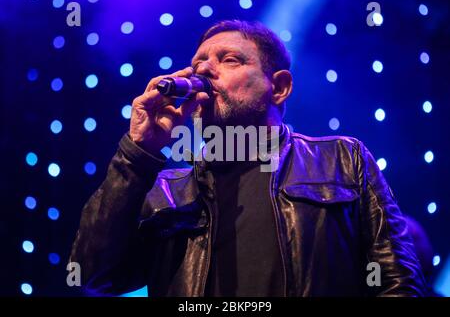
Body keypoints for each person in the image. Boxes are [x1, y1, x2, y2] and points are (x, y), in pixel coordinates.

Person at [70, 20, 427, 296]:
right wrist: (137, 154)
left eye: (229, 60)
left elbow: (397, 280)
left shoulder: (342, 160)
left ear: (280, 86)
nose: (204, 72)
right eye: (198, 65)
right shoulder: (164, 189)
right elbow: (91, 275)